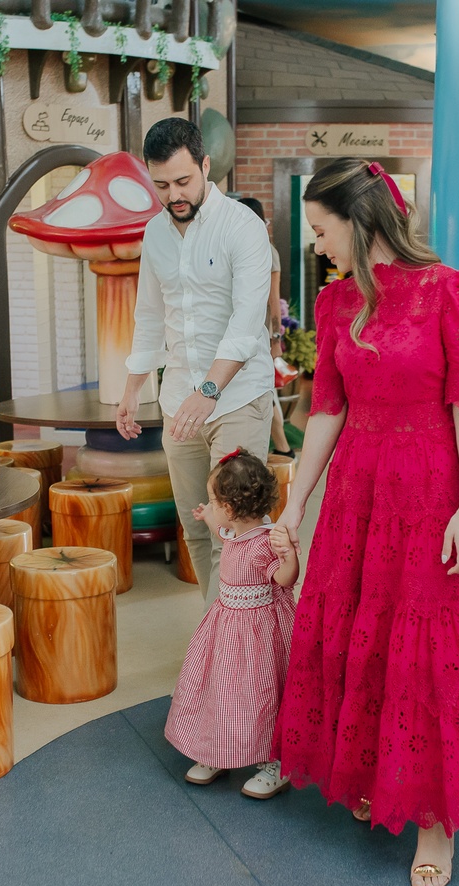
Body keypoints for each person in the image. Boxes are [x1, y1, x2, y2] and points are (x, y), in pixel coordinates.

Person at [270, 158, 459, 886]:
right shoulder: (337, 302)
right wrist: (295, 504)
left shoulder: (450, 290)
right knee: (364, 640)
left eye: (321, 229)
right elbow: (326, 411)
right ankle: (382, 777)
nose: (316, 244)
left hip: (432, 490)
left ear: (360, 219)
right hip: (359, 493)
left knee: (431, 653)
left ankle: (436, 822)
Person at [118, 118, 276, 605]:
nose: (174, 195)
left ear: (206, 166)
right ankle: (218, 636)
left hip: (237, 399)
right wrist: (132, 390)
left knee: (236, 533)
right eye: (162, 185)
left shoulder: (242, 227)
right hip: (178, 404)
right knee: (197, 530)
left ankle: (242, 641)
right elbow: (149, 316)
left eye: (183, 181)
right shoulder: (155, 234)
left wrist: (208, 391)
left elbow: (246, 325)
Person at [165, 448, 299, 799]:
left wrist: (288, 554)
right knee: (221, 688)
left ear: (231, 507)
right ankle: (218, 749)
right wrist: (207, 518)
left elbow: (285, 579)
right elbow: (223, 533)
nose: (210, 506)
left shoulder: (264, 542)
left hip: (257, 636)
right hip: (225, 628)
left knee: (259, 694)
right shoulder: (236, 530)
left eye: (213, 501)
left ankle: (274, 763)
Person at [237, 196, 296, 457]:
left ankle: (283, 449)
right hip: (240, 336)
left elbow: (274, 300)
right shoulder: (239, 248)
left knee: (264, 394)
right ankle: (281, 450)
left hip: (260, 338)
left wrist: (275, 340)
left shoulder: (267, 251)